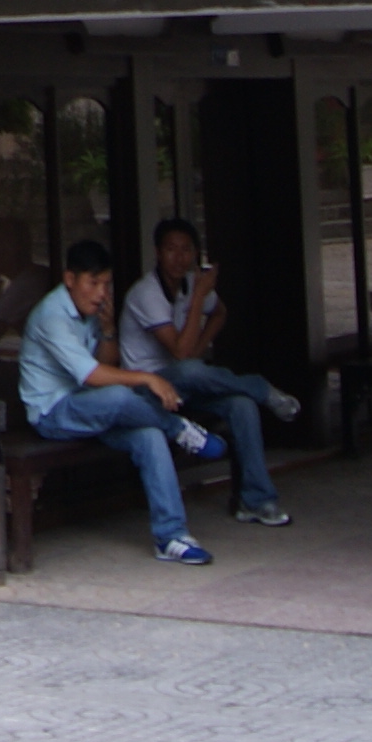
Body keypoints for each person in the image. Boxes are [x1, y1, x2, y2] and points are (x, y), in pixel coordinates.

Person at [14, 237, 229, 566]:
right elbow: (92, 375)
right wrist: (148, 377)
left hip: (91, 408)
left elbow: (108, 361)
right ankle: (178, 427)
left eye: (106, 284)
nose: (101, 293)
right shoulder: (51, 316)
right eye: (94, 283)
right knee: (118, 395)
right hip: (54, 414)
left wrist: (109, 329)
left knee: (149, 435)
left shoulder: (90, 310)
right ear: (70, 280)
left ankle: (171, 537)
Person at [120, 218, 296, 529]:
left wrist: (201, 343)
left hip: (186, 383)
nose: (179, 257)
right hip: (147, 390)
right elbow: (180, 353)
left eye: (186, 250)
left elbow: (220, 313)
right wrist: (199, 297)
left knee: (241, 405)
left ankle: (255, 500)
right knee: (190, 368)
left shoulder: (191, 283)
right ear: (158, 253)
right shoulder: (145, 293)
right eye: (171, 249)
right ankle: (260, 386)